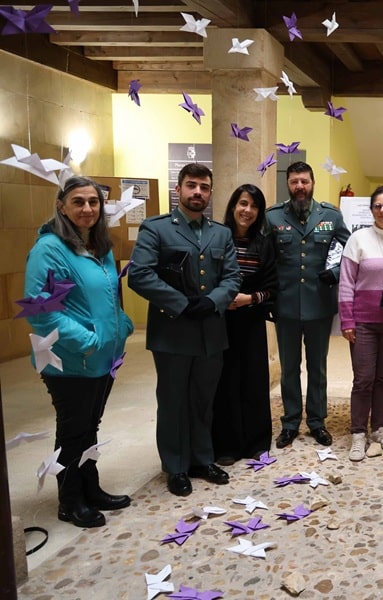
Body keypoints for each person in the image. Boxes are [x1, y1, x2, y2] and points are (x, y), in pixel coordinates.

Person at [23, 176, 134, 528]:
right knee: (73, 432)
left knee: (90, 427)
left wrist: (122, 324)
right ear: (61, 206)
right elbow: (42, 311)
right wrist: (88, 340)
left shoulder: (99, 246)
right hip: (71, 360)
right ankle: (70, 501)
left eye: (93, 202)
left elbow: (107, 296)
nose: (87, 208)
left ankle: (90, 487)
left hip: (103, 359)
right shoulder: (50, 249)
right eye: (78, 201)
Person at [128, 163, 240, 497]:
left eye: (204, 187)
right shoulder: (156, 228)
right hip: (173, 332)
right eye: (192, 185)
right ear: (178, 189)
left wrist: (214, 301)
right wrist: (181, 303)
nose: (198, 192)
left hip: (210, 332)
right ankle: (175, 466)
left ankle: (202, 459)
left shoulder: (221, 233)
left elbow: (232, 276)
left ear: (210, 193)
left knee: (203, 399)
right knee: (173, 401)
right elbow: (140, 274)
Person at [265, 161, 350, 449]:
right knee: (289, 369)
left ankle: (316, 421)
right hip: (286, 306)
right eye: (294, 182)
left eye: (304, 181)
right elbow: (265, 259)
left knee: (318, 367)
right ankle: (290, 422)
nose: (300, 186)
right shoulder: (273, 217)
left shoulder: (331, 216)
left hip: (319, 304)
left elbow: (349, 252)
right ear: (288, 185)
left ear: (313, 183)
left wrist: (336, 272)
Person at [339, 186, 383, 462]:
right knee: (364, 379)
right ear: (371, 210)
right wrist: (347, 320)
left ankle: (379, 428)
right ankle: (358, 433)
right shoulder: (358, 239)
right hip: (364, 322)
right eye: (377, 206)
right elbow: (346, 282)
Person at [211, 184, 278, 465]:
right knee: (225, 381)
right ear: (233, 206)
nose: (247, 210)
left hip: (251, 319)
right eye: (242, 203)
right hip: (221, 321)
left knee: (254, 380)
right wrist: (221, 299)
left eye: (254, 206)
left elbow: (273, 287)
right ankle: (226, 445)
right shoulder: (217, 238)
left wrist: (250, 298)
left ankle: (256, 442)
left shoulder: (265, 243)